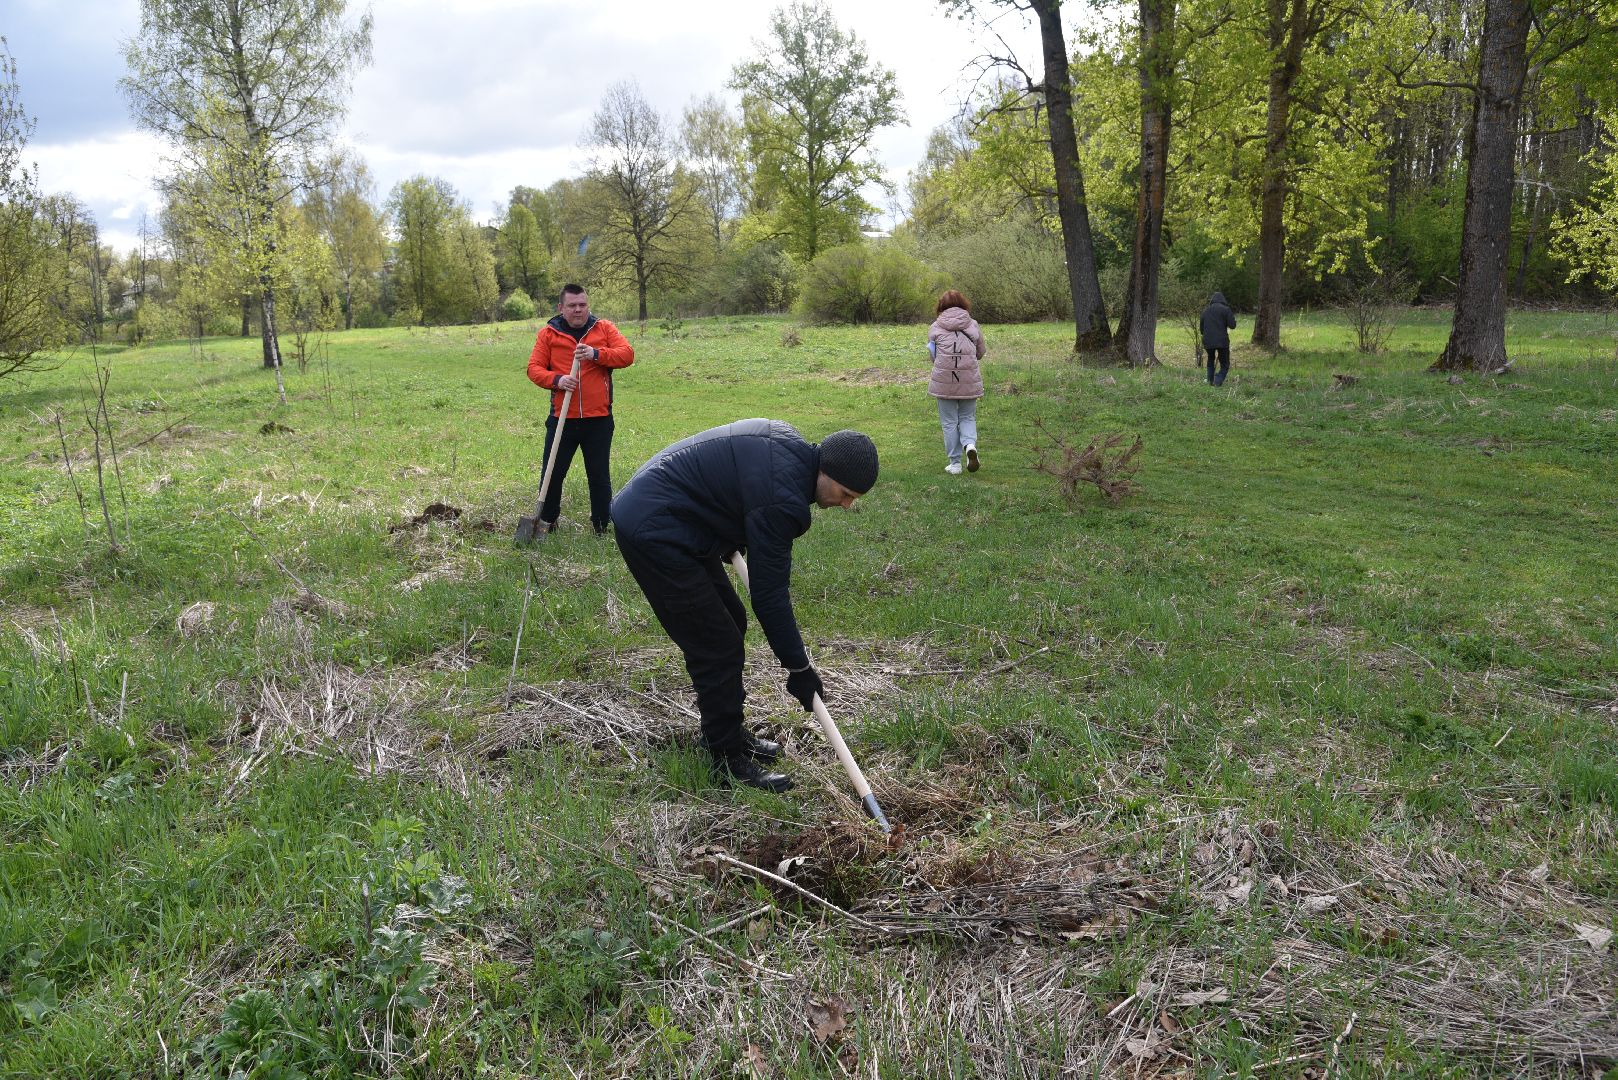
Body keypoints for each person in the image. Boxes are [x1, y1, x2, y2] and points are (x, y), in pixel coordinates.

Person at [610, 420, 879, 792]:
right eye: (846, 492)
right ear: (826, 470)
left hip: (675, 515)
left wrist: (729, 527)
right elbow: (770, 597)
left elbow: (733, 486)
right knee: (716, 644)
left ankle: (727, 731)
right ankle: (725, 759)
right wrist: (799, 667)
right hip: (654, 529)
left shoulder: (789, 449)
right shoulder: (783, 501)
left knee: (731, 621)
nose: (848, 504)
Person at [525, 284, 635, 534]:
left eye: (582, 305)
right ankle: (546, 523)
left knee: (599, 477)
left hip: (599, 419)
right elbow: (534, 369)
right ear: (561, 308)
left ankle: (601, 526)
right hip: (562, 418)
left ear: (588, 305)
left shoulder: (604, 328)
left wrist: (596, 354)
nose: (578, 310)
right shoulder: (548, 334)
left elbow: (627, 355)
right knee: (552, 474)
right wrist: (558, 380)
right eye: (572, 305)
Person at [927, 290, 986, 475]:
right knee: (967, 417)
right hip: (969, 381)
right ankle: (969, 446)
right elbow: (980, 352)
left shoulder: (935, 326)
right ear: (963, 304)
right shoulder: (973, 325)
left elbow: (933, 355)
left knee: (949, 422)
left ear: (941, 306)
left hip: (944, 382)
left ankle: (955, 464)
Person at [1200, 291, 1237, 386]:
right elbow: (1232, 325)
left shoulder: (1205, 311)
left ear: (1212, 300)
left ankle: (1210, 380)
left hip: (1208, 340)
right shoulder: (1226, 310)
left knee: (1210, 359)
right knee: (1225, 364)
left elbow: (1201, 329)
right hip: (1222, 341)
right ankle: (1217, 379)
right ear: (1223, 300)